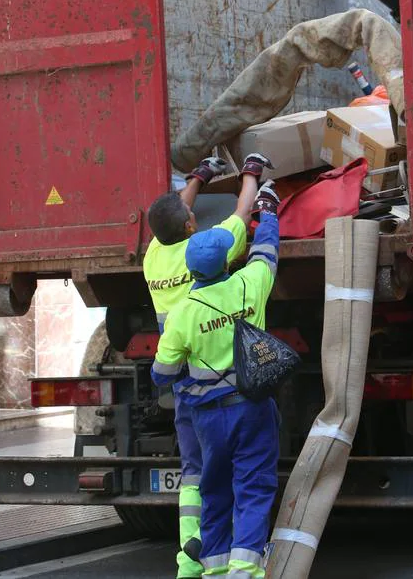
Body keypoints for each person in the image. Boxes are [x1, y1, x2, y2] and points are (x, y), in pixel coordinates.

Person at [144, 153, 274, 579]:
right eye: (189, 211)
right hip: (237, 394)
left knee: (199, 476)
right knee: (247, 480)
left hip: (190, 391)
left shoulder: (154, 258)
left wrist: (198, 177)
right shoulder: (222, 259)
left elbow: (171, 212)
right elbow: (243, 213)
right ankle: (242, 565)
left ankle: (189, 559)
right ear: (190, 226)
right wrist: (252, 172)